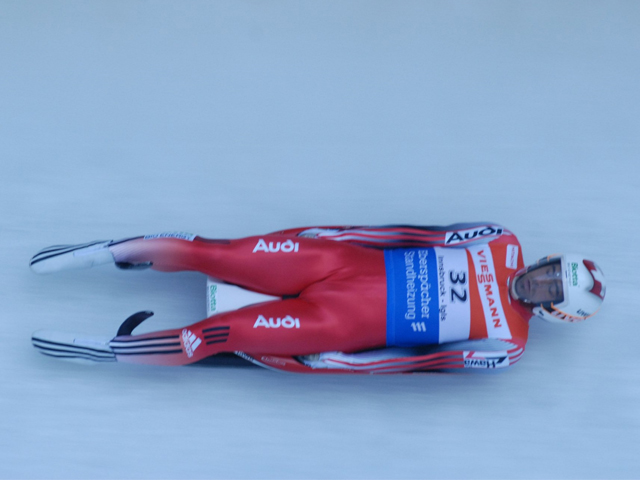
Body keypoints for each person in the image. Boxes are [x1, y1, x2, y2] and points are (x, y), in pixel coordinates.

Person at [29, 223, 606, 373]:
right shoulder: (500, 240)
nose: (541, 281)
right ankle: (102, 251)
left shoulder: (510, 343)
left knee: (211, 337)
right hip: (337, 261)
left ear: (557, 310)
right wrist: (334, 236)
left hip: (336, 323)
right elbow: (410, 234)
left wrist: (340, 366)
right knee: (216, 250)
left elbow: (422, 362)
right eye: (551, 270)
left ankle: (103, 350)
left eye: (552, 289)